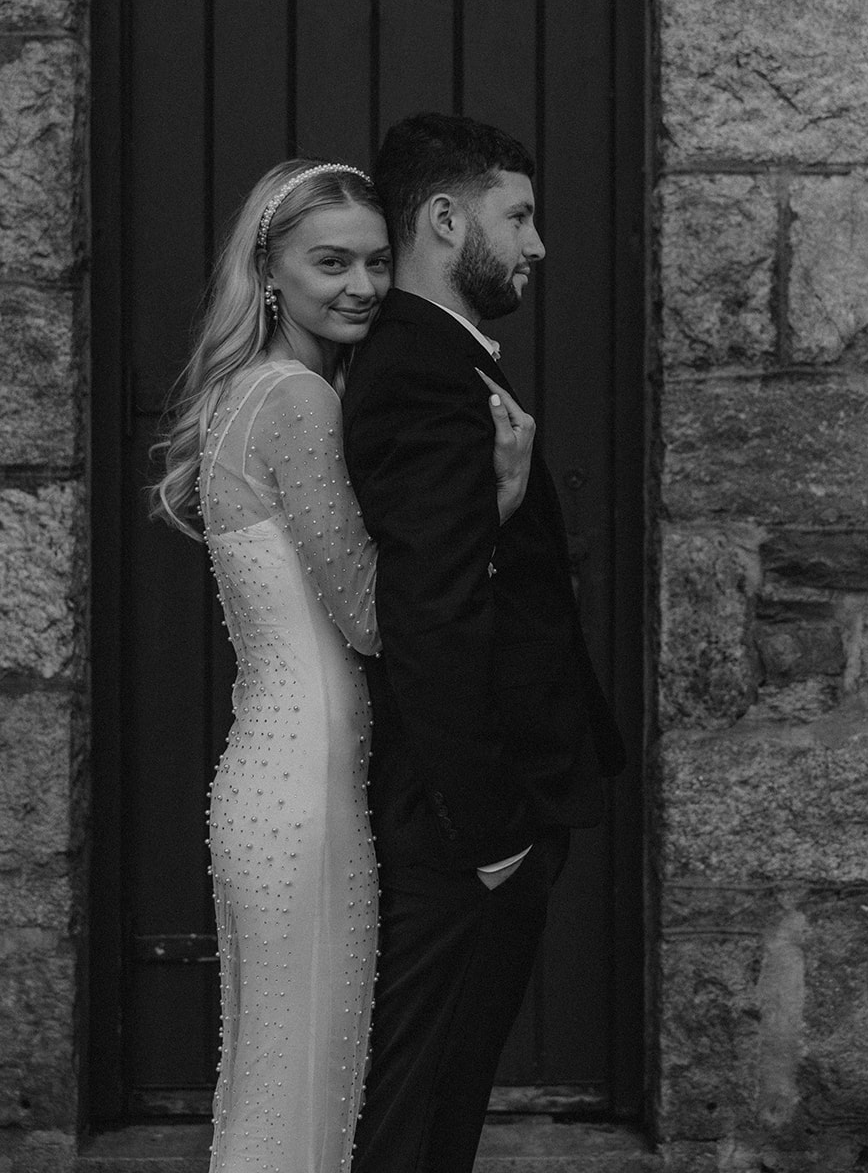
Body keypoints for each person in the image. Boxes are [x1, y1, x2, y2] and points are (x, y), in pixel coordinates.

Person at [149, 159, 533, 1173]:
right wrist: (492, 501)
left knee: (277, 1096)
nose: (361, 285)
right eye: (329, 263)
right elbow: (371, 616)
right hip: (306, 798)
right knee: (302, 1103)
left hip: (267, 780)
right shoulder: (298, 399)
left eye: (373, 260)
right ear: (268, 272)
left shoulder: (242, 393)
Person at [343, 114, 626, 1173]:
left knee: (438, 1103)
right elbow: (433, 617)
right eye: (519, 216)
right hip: (462, 826)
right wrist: (492, 830)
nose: (537, 244)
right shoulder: (423, 373)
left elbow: (456, 569)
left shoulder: (433, 362)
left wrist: (505, 512)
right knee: (418, 1115)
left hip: (476, 814)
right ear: (445, 217)